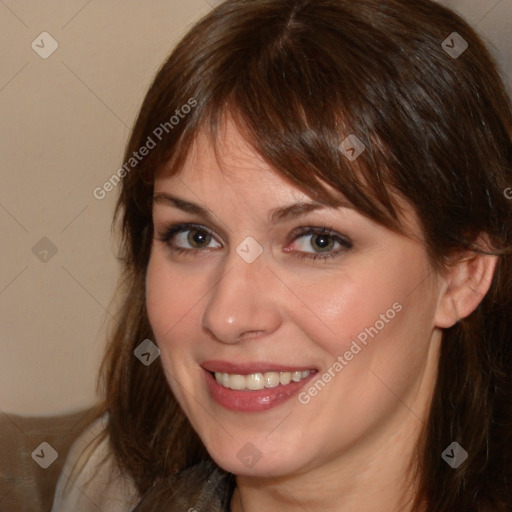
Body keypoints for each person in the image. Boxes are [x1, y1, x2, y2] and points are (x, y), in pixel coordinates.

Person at [51, 0, 512, 510]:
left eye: (317, 241)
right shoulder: (90, 489)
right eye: (195, 237)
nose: (227, 315)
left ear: (464, 272)